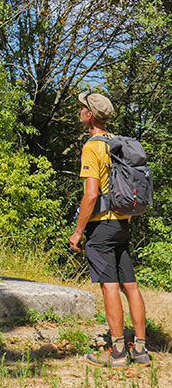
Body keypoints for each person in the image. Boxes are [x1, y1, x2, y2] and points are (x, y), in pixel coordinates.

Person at [70, 92, 150, 367]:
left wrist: (78, 232)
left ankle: (116, 352)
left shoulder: (92, 146)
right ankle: (140, 349)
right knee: (131, 285)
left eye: (82, 108)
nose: (79, 111)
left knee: (110, 287)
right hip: (122, 223)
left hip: (101, 227)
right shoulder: (117, 144)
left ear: (90, 115)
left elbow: (91, 195)